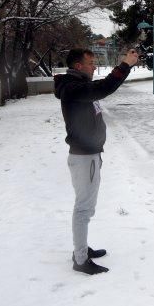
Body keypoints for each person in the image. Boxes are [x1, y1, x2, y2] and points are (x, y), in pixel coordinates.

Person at [54, 47, 139, 275]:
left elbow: (100, 88)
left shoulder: (78, 86)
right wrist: (125, 65)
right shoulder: (73, 88)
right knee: (84, 209)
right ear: (79, 66)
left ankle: (80, 249)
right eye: (91, 63)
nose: (94, 66)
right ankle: (80, 259)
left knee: (84, 207)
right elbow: (103, 88)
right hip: (84, 158)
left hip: (88, 156)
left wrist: (125, 67)